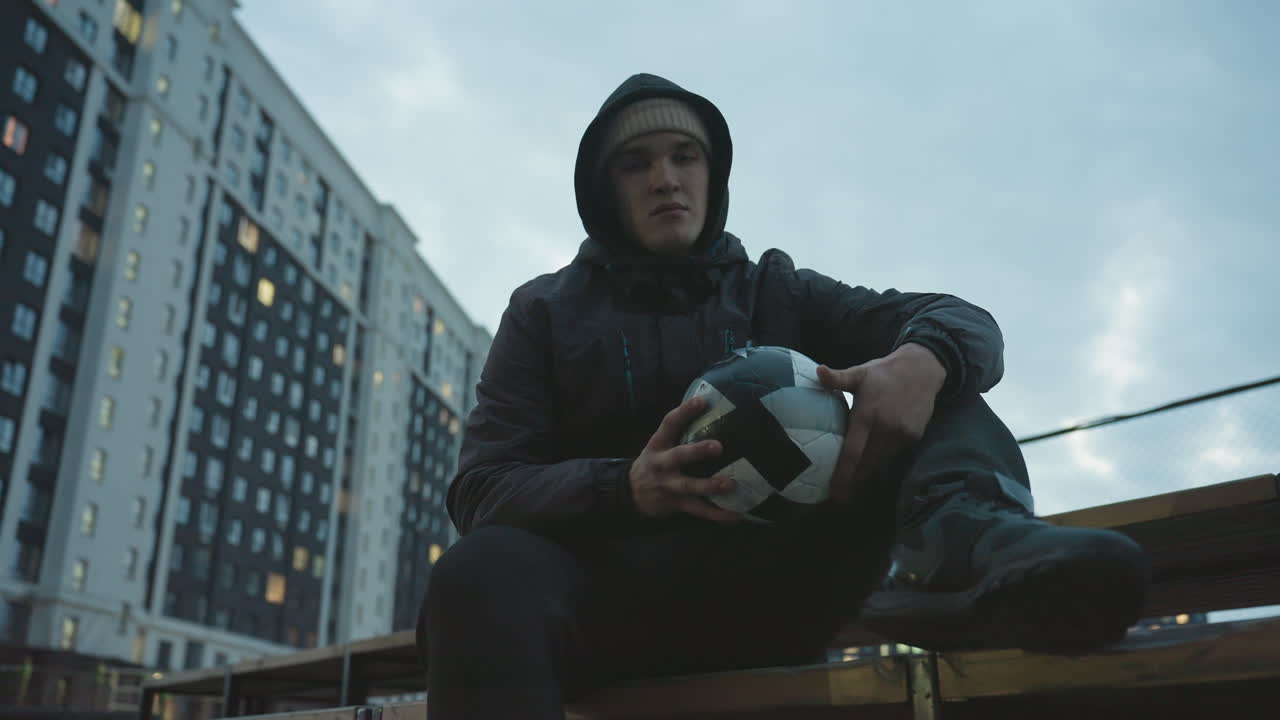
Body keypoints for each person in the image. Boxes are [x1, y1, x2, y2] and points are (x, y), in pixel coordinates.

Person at [417, 73, 1148, 718]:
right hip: (610, 602)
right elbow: (483, 488)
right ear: (604, 190)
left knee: (929, 373)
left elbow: (961, 319)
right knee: (479, 572)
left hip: (776, 584)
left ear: (713, 172)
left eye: (685, 156)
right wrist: (626, 488)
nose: (665, 179)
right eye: (635, 164)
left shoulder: (776, 288)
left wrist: (924, 359)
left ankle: (967, 547)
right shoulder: (544, 311)